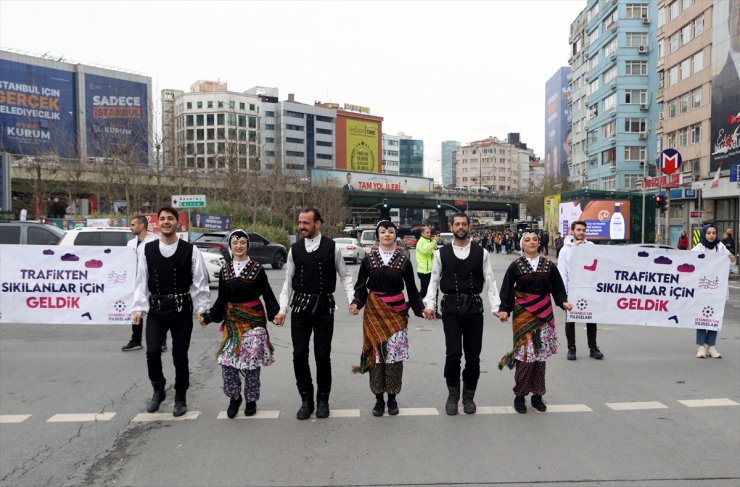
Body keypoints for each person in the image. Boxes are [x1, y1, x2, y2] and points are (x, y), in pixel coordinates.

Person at [274, 208, 355, 420]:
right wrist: (282, 310)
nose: (301, 226)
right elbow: (288, 282)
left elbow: (345, 276)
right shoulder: (294, 249)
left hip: (324, 308)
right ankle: (306, 399)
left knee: (322, 355)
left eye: (306, 223)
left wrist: (352, 300)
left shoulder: (333, 248)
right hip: (300, 308)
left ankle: (322, 400)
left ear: (318, 223)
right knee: (299, 354)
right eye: (300, 222)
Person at [131, 207, 211, 417]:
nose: (166, 222)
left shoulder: (190, 250)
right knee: (152, 351)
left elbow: (200, 282)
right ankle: (158, 389)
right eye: (163, 219)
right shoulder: (146, 249)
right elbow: (140, 281)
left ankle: (180, 396)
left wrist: (201, 308)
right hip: (157, 309)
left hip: (181, 309)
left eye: (170, 218)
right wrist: (138, 307)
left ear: (177, 223)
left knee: (179, 355)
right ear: (158, 223)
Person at [422, 213, 501, 415]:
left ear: (469, 227)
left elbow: (490, 280)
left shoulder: (481, 253)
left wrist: (496, 307)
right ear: (451, 227)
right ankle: (453, 395)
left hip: (474, 309)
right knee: (453, 353)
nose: (460, 227)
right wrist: (430, 304)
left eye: (463, 224)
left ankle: (469, 397)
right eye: (457, 224)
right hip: (451, 309)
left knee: (473, 357)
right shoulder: (441, 253)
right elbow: (434, 280)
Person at [199, 230, 279, 418]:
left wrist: (275, 314)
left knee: (251, 363)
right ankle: (235, 397)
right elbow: (221, 300)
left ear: (247, 245)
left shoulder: (257, 269)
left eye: (243, 242)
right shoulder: (225, 270)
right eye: (235, 242)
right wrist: (209, 316)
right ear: (231, 245)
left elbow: (267, 294)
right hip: (232, 322)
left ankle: (251, 399)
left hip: (254, 321)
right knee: (227, 363)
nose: (239, 246)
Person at [350, 221, 423, 417]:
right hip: (374, 312)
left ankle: (392, 398)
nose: (387, 235)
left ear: (395, 235)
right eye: (383, 232)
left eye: (390, 231)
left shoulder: (403, 259)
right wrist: (357, 303)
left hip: (397, 313)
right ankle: (378, 399)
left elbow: (411, 288)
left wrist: (420, 309)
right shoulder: (369, 259)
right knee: (376, 356)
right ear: (378, 235)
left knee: (394, 356)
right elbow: (360, 286)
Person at [495, 230, 572, 414]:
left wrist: (563, 302)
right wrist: (504, 309)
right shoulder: (516, 266)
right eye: (527, 240)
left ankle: (537, 395)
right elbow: (506, 289)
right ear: (522, 244)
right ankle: (520, 396)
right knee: (524, 356)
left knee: (539, 356)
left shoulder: (548, 265)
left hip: (544, 314)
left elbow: (558, 287)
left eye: (535, 239)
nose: (531, 242)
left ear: (539, 243)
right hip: (523, 314)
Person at [557, 220, 604, 360]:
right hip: (571, 290)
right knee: (570, 320)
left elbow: (597, 266)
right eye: (578, 230)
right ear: (572, 231)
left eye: (583, 230)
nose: (581, 232)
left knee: (591, 319)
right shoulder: (565, 250)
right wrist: (564, 294)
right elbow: (562, 273)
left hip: (588, 288)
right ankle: (571, 348)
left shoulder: (591, 247)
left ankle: (593, 348)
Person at [691, 223, 736, 358]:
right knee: (702, 318)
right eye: (708, 233)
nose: (711, 236)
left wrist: (732, 259)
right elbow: (691, 263)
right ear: (704, 234)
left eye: (714, 233)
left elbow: (731, 264)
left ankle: (711, 346)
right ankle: (701, 347)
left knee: (714, 318)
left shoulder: (721, 247)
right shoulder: (698, 248)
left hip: (717, 290)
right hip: (702, 289)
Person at [122, 215, 158, 352]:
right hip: (135, 281)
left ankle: (160, 340)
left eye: (132, 225)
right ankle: (136, 340)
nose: (130, 227)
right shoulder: (130, 243)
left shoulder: (155, 241)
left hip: (152, 281)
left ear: (141, 225)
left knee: (155, 310)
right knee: (136, 309)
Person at [415, 226, 439, 316]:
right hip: (424, 272)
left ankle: (410, 306)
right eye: (427, 232)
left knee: (424, 292)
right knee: (434, 291)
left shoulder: (429, 242)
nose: (429, 234)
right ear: (422, 233)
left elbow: (434, 254)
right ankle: (434, 312)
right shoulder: (421, 241)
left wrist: (435, 245)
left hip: (430, 271)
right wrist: (434, 241)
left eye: (430, 232)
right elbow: (425, 251)